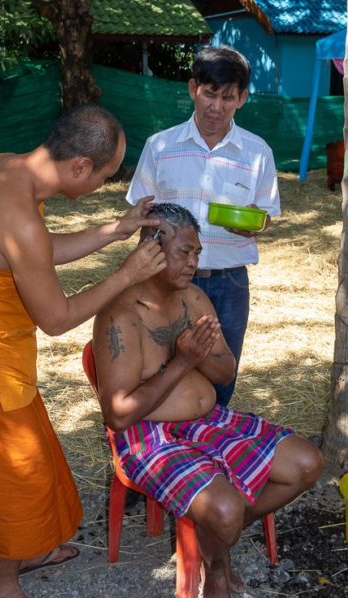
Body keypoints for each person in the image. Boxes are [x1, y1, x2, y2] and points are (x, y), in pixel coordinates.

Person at [0, 104, 167, 598]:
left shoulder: (3, 167)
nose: (103, 184)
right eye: (103, 174)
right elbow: (56, 318)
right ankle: (0, 593)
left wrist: (115, 230)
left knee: (37, 462)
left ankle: (29, 548)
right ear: (79, 166)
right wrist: (128, 275)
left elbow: (33, 253)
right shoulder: (21, 217)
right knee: (13, 480)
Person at [92, 203, 323, 598]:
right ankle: (216, 568)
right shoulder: (119, 315)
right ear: (153, 250)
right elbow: (120, 415)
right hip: (150, 438)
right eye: (185, 252)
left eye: (197, 252)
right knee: (226, 508)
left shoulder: (195, 297)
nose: (195, 262)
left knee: (308, 463)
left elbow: (225, 370)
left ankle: (214, 535)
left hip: (210, 422)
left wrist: (200, 353)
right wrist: (181, 361)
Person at [126, 45, 280, 406]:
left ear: (242, 98)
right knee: (159, 366)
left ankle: (214, 441)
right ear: (193, 88)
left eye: (228, 97)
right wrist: (140, 280)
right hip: (166, 279)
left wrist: (256, 224)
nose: (216, 107)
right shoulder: (160, 146)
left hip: (228, 280)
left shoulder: (258, 153)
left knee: (221, 373)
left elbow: (266, 215)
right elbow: (141, 217)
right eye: (210, 93)